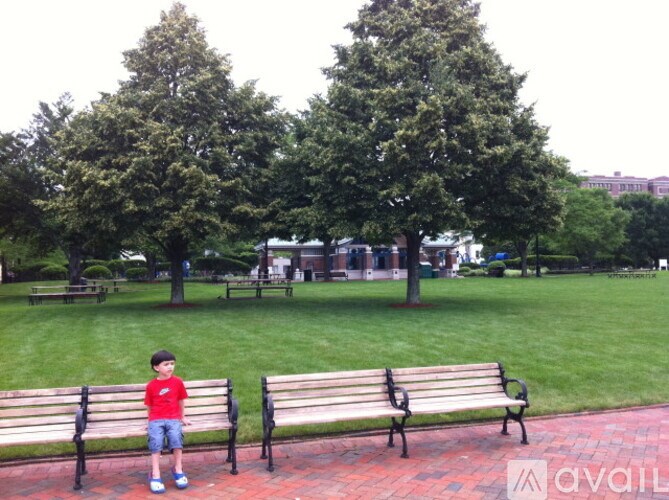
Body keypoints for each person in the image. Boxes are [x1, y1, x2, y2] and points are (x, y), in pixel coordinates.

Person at [145, 350, 192, 494]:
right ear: (156, 367)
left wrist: (182, 416)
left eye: (172, 364)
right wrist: (150, 421)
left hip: (173, 418)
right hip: (156, 419)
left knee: (176, 438)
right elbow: (149, 405)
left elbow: (181, 400)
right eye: (166, 364)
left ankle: (178, 469)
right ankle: (155, 474)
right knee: (156, 441)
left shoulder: (178, 382)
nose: (170, 367)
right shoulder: (151, 385)